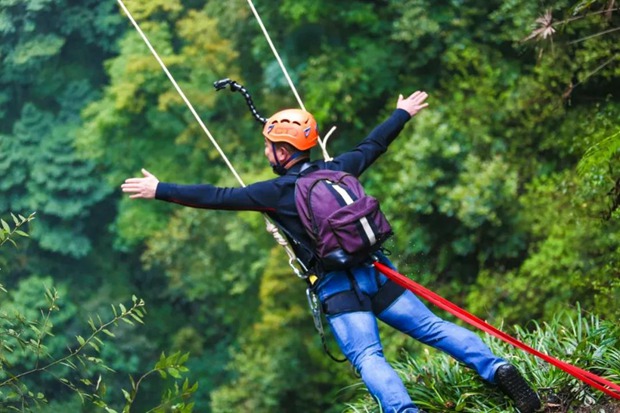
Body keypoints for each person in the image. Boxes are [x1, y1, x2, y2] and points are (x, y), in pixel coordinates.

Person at [121, 91, 542, 413]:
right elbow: (372, 146)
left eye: (270, 146)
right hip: (378, 271)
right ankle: (499, 370)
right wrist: (402, 113)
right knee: (432, 328)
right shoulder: (338, 168)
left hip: (339, 287)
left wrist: (161, 190)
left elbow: (217, 195)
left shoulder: (277, 192)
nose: (267, 152)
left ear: (283, 152)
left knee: (368, 356)